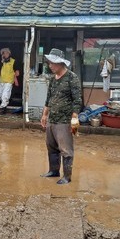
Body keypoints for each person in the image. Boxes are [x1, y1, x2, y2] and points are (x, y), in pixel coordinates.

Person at [40, 48, 82, 185]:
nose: (50, 65)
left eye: (52, 63)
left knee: (66, 150)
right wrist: (45, 115)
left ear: (61, 63)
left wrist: (74, 122)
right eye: (49, 63)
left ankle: (67, 176)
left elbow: (77, 101)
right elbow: (48, 99)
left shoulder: (72, 78)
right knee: (51, 146)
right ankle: (54, 171)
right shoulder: (53, 79)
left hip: (65, 121)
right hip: (52, 119)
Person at [0, 47, 19, 114]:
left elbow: (17, 72)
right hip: (2, 81)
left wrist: (15, 80)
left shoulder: (13, 61)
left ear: (9, 53)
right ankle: (6, 101)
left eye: (6, 53)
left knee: (5, 96)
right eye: (3, 53)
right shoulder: (2, 62)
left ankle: (3, 109)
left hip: (9, 81)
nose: (5, 54)